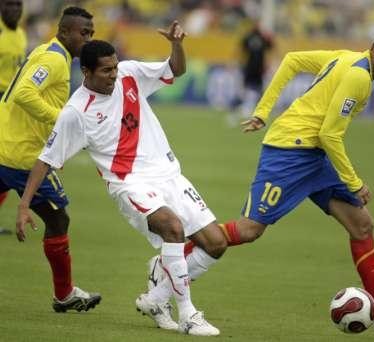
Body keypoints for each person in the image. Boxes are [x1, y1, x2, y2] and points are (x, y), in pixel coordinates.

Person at [177, 25, 374, 335]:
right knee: (250, 229)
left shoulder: (345, 58)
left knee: (362, 225)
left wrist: (264, 111)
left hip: (313, 156)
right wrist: (355, 182)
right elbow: (330, 134)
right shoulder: (358, 77)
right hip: (289, 152)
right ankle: (170, 267)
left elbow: (292, 59)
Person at [16, 23, 227, 336]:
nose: (114, 75)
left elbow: (175, 70)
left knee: (216, 243)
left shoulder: (129, 73)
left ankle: (157, 298)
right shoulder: (76, 111)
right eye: (105, 71)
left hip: (169, 174)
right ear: (85, 72)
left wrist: (176, 45)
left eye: (114, 68)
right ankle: (188, 315)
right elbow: (46, 159)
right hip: (129, 183)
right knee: (173, 229)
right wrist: (23, 205)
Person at [0, 6, 101, 312]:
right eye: (83, 33)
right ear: (65, 31)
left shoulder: (48, 51)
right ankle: (64, 294)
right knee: (59, 218)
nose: (87, 39)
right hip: (23, 156)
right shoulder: (55, 59)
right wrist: (60, 120)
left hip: (6, 144)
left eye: (91, 34)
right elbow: (24, 93)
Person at [0, 0, 27, 235]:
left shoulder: (20, 34)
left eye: (18, 5)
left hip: (10, 107)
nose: (14, 10)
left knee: (7, 163)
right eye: (9, 5)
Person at [228, 22, 273, 125]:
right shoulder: (249, 37)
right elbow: (240, 50)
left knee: (260, 95)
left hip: (259, 71)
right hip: (249, 69)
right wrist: (236, 62)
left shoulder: (264, 38)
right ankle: (232, 114)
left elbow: (270, 49)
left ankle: (260, 118)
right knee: (243, 93)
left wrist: (269, 64)